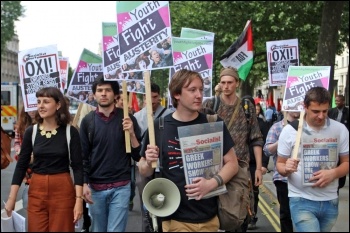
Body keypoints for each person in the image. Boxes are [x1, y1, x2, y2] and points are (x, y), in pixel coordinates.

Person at [138, 69, 238, 232]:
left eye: (200, 89)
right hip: (174, 219)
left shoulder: (212, 122)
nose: (199, 95)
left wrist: (211, 183)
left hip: (210, 219)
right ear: (177, 94)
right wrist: (149, 161)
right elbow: (143, 170)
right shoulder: (158, 126)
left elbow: (232, 164)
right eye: (192, 90)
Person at [5, 87, 84, 232]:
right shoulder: (31, 132)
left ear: (58, 105)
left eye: (46, 102)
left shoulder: (70, 132)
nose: (41, 105)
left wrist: (79, 200)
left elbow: (78, 167)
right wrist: (12, 198)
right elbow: (21, 165)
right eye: (39, 102)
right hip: (36, 190)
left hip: (63, 191)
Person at [276, 87, 349, 232]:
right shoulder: (290, 131)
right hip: (301, 199)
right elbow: (280, 164)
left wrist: (333, 173)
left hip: (330, 200)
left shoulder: (340, 130)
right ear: (305, 107)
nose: (321, 116)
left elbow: (346, 162)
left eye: (325, 111)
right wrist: (286, 168)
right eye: (316, 111)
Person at [202, 67, 264, 232]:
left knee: (237, 217)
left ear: (237, 83)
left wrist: (258, 168)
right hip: (213, 168)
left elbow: (256, 138)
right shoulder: (210, 104)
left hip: (239, 171)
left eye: (230, 82)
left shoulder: (246, 107)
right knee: (211, 217)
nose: (226, 86)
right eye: (223, 82)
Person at [79, 75, 142, 232]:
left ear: (115, 95)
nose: (104, 94)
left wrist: (132, 133)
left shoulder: (127, 119)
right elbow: (83, 157)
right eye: (99, 90)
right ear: (94, 95)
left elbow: (137, 155)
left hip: (121, 185)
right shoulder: (88, 122)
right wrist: (84, 183)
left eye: (108, 90)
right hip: (95, 187)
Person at [133, 83, 173, 232]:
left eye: (155, 97)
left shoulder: (168, 115)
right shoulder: (137, 117)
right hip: (144, 165)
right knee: (146, 203)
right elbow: (135, 145)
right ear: (144, 98)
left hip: (164, 166)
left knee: (165, 201)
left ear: (160, 97)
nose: (152, 101)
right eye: (149, 97)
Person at [263, 111, 300, 232]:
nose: (296, 109)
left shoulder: (306, 127)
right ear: (287, 107)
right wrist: (282, 140)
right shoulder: (277, 127)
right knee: (285, 213)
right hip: (282, 178)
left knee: (302, 215)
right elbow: (267, 150)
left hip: (301, 179)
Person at [247, 96, 270, 230]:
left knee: (254, 192)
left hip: (255, 164)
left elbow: (265, 144)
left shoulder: (262, 123)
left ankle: (253, 216)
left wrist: (263, 165)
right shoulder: (239, 122)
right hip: (240, 163)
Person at [13, 106, 37, 210]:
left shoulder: (45, 124)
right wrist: (19, 150)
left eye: (34, 108)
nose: (31, 111)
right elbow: (17, 142)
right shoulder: (21, 125)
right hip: (27, 164)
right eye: (29, 108)